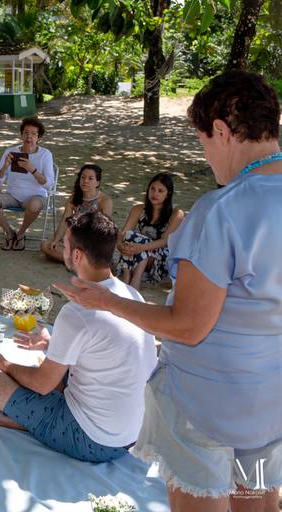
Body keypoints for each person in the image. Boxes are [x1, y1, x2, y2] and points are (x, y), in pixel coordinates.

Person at [54, 71, 282, 511]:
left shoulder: (221, 211)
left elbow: (188, 326)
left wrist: (106, 301)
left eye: (203, 140)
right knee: (257, 503)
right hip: (270, 404)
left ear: (222, 130)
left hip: (207, 410)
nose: (206, 154)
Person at [0, 211, 157, 463]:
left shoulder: (77, 312)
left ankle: (18, 423)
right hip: (133, 434)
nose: (61, 248)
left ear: (77, 255)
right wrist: (51, 344)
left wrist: (3, 363)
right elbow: (106, 350)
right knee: (50, 368)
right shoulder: (132, 296)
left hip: (93, 440)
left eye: (65, 244)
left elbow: (42, 384)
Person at [0, 117, 55, 250]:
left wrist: (32, 170)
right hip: (12, 195)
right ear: (21, 135)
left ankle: (21, 233)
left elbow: (49, 184)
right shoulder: (10, 152)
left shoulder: (45, 154)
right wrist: (5, 166)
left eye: (33, 134)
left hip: (35, 196)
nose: (29, 137)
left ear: (39, 137)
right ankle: (9, 232)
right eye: (26, 133)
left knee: (34, 205)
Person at [116, 173, 184, 290]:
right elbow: (123, 232)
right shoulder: (138, 209)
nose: (155, 193)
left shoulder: (176, 214)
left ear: (168, 194)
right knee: (129, 235)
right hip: (136, 253)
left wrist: (141, 248)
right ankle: (127, 276)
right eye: (152, 189)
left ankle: (135, 278)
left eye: (160, 191)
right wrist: (119, 244)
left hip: (160, 260)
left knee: (142, 243)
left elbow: (165, 241)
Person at [41, 164, 113, 263]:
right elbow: (65, 222)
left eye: (90, 178)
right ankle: (80, 263)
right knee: (46, 246)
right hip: (76, 242)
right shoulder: (74, 198)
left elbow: (105, 230)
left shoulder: (105, 200)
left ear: (97, 182)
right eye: (83, 177)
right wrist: (56, 239)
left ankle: (81, 262)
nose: (85, 181)